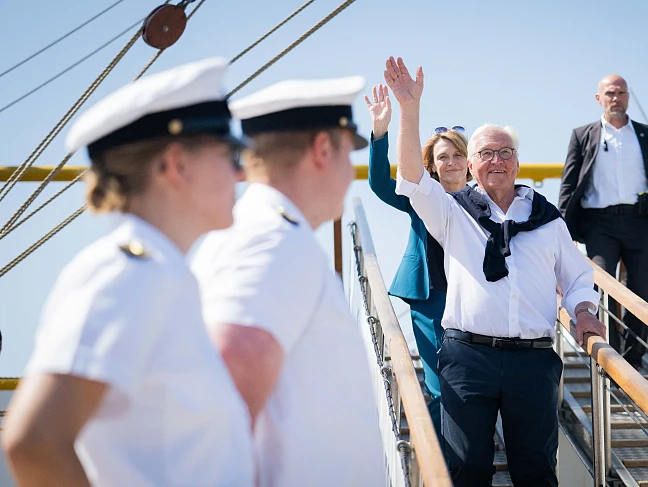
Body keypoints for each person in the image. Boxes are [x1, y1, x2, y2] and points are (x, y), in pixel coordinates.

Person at [2, 58, 254, 487]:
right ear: (175, 165)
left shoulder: (164, 275)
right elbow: (35, 441)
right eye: (229, 154)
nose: (242, 171)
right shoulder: (130, 274)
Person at [384, 56, 606, 486]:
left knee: (537, 472)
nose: (497, 160)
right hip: (468, 359)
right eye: (486, 153)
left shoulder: (548, 220)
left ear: (518, 163)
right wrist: (409, 112)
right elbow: (412, 179)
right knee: (467, 469)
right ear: (471, 166)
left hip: (533, 361)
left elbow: (578, 277)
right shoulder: (452, 213)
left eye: (506, 152)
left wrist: (582, 310)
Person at [191, 76, 386, 486]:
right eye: (349, 154)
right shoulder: (271, 238)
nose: (351, 172)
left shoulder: (267, 233)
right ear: (323, 148)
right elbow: (229, 379)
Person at [365, 83, 470, 444]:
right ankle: (446, 463)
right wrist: (381, 131)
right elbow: (380, 184)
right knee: (442, 383)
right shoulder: (421, 197)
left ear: (470, 163)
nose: (451, 163)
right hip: (432, 297)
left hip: (478, 300)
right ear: (431, 165)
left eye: (458, 156)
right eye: (443, 157)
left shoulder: (487, 200)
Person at [557, 74, 648, 368]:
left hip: (642, 221)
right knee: (600, 283)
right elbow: (569, 182)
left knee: (643, 289)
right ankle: (605, 354)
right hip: (600, 224)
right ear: (599, 98)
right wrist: (561, 229)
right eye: (610, 93)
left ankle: (633, 357)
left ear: (628, 97)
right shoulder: (583, 135)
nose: (616, 98)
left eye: (621, 93)